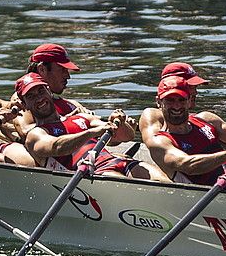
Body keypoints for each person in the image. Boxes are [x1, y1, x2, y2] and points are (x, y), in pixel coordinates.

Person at [18, 74, 153, 178]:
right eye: (31, 96)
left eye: (41, 91)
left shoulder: (82, 118)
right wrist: (91, 133)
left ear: (48, 91)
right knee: (128, 184)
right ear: (24, 105)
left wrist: (120, 123)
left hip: (117, 161)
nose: (39, 98)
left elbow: (127, 136)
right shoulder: (36, 135)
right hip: (92, 173)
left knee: (163, 182)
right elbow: (57, 147)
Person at [137, 61, 212, 142]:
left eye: (195, 87)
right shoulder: (153, 115)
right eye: (189, 86)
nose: (195, 92)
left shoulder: (201, 119)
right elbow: (157, 146)